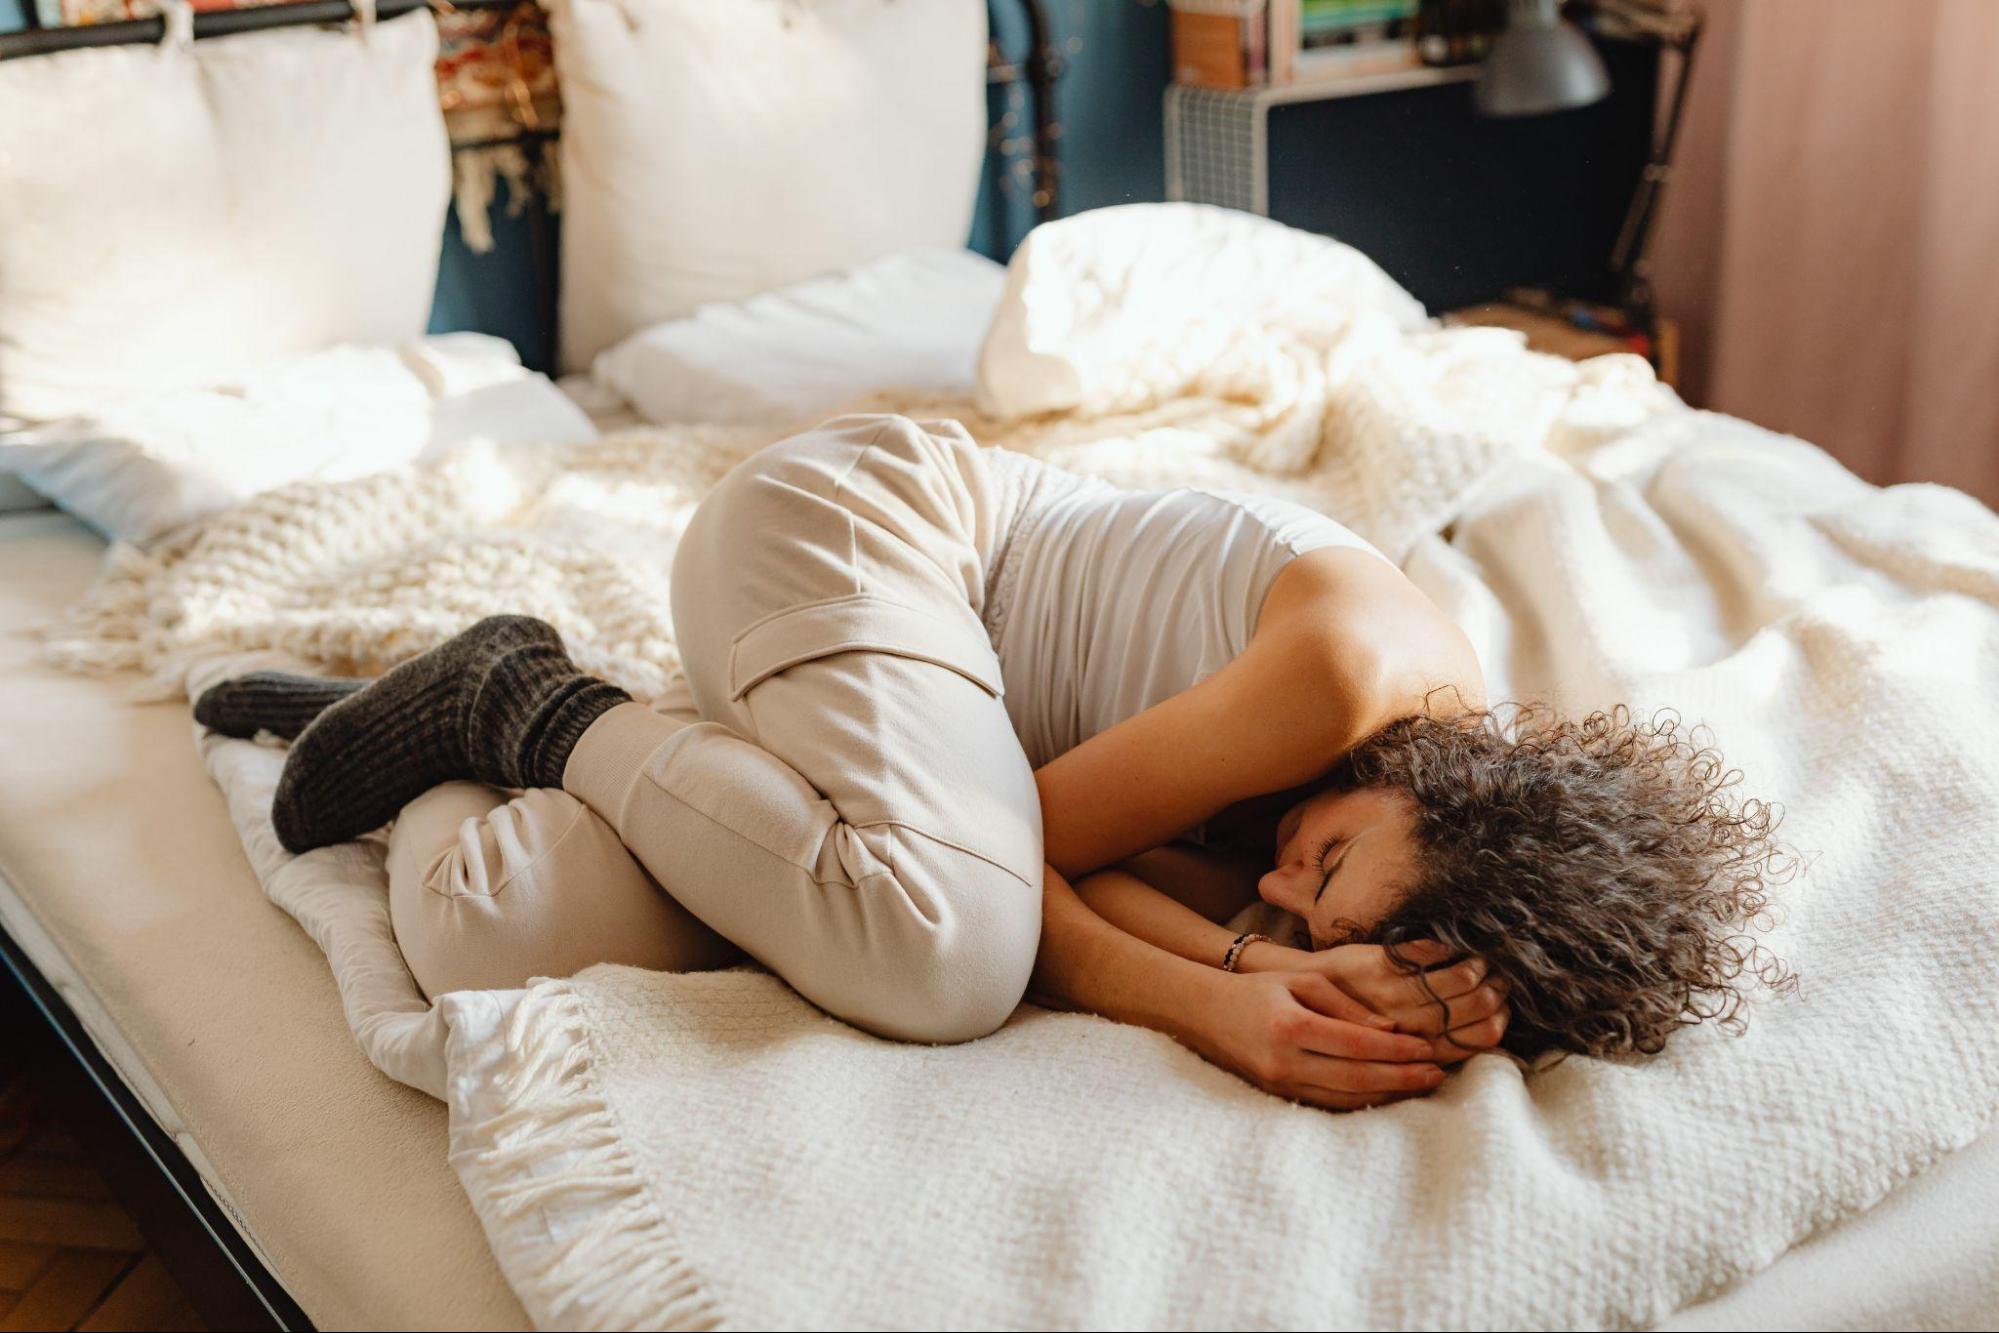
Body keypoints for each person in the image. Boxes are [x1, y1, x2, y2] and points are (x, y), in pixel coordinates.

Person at [195, 415, 1785, 1112]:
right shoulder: (1350, 673)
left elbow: (1080, 877)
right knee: (942, 952)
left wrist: (1283, 965)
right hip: (860, 535)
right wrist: (1221, 1000)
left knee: (509, 925)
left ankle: (421, 725)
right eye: (1328, 868)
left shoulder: (1353, 834)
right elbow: (1024, 876)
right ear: (1455, 786)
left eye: (1310, 913)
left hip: (888, 725)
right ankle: (513, 695)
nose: (1286, 877)